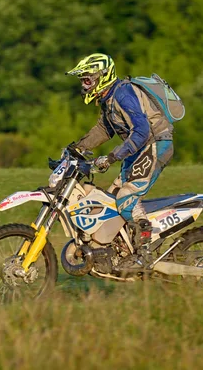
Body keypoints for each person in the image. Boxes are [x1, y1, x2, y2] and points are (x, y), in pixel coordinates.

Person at [65, 53, 174, 254]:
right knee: (110, 200)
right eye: (83, 82)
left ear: (102, 76)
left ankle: (144, 251)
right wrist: (76, 149)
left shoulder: (123, 94)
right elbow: (104, 129)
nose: (84, 86)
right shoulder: (108, 99)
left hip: (156, 145)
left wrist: (113, 156)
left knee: (125, 198)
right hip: (140, 149)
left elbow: (141, 131)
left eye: (88, 81)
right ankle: (124, 249)